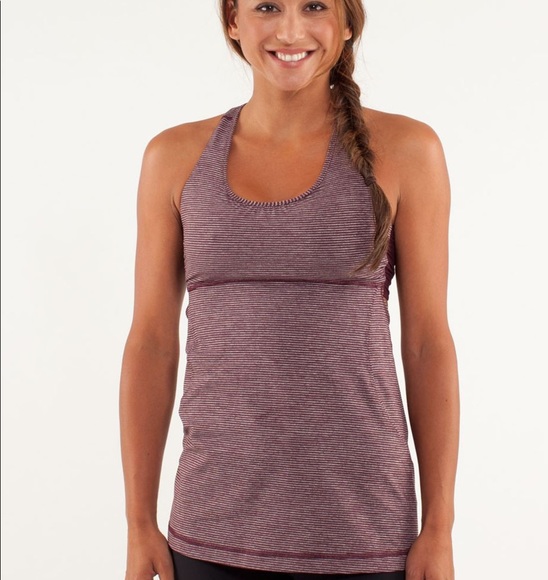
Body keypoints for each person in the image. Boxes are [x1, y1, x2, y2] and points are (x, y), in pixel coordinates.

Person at [119, 1, 460, 579]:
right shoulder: (174, 157)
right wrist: (138, 524)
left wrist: (440, 528)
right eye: (267, 7)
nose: (291, 30)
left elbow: (428, 344)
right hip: (211, 533)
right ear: (233, 21)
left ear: (347, 23)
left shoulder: (407, 150)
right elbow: (151, 344)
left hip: (366, 536)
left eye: (315, 6)